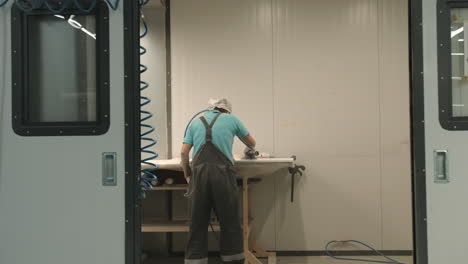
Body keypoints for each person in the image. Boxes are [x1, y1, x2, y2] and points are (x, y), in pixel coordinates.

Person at [180, 98, 256, 264]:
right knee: (229, 220)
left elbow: (184, 153)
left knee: (197, 221)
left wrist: (187, 174)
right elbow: (252, 143)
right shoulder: (232, 119)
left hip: (199, 177)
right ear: (227, 111)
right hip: (223, 175)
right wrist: (248, 149)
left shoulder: (195, 122)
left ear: (210, 109)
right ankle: (233, 259)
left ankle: (195, 260)